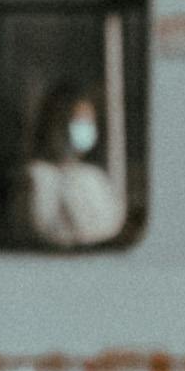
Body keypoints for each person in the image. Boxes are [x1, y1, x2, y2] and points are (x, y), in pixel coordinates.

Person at [18, 86, 126, 250]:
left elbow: (113, 224)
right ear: (57, 124)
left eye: (89, 121)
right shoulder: (35, 177)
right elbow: (41, 232)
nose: (86, 128)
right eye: (79, 121)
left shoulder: (94, 176)